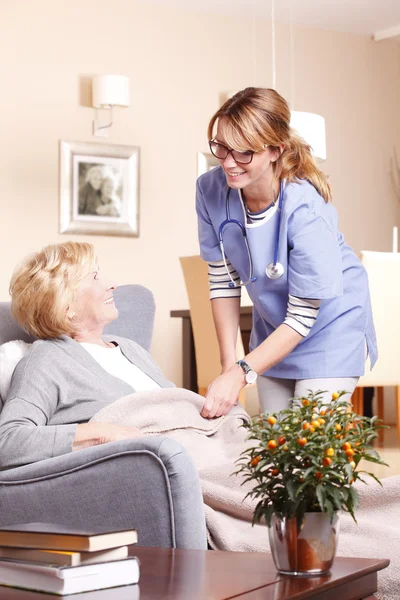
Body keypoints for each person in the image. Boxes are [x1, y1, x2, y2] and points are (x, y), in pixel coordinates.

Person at [196, 87, 377, 418]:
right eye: (220, 147)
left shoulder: (306, 207)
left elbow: (303, 315)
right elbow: (223, 280)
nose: (228, 163)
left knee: (311, 447)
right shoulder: (210, 190)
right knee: (274, 447)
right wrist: (229, 367)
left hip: (329, 326)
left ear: (275, 150)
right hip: (275, 328)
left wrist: (241, 372)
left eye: (244, 153)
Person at [0, 242, 174, 470]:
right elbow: (8, 441)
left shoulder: (131, 349)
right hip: (162, 463)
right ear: (67, 305)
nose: (112, 284)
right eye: (94, 277)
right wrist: (102, 434)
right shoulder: (48, 358)